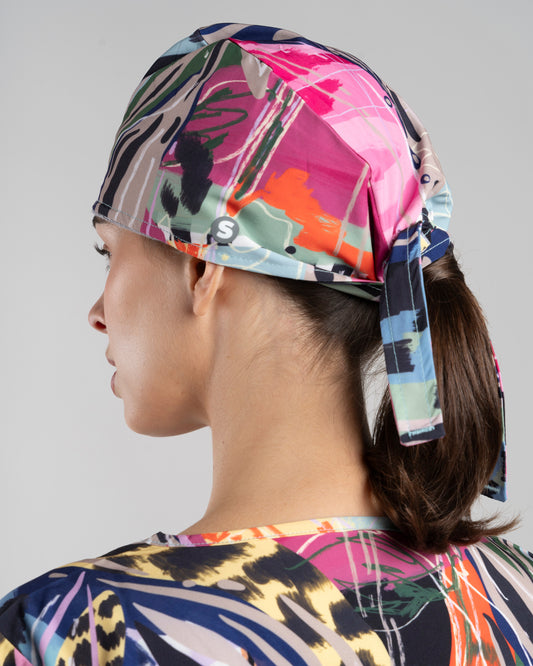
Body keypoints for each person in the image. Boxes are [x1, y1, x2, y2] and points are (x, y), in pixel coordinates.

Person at [1, 22, 532, 665]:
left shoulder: (75, 633)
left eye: (108, 252)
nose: (97, 314)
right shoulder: (513, 597)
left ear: (201, 265)